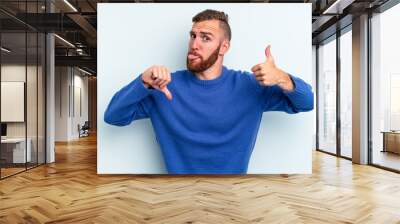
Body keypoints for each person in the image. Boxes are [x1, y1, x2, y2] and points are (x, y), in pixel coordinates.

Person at [104, 9, 314, 174]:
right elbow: (113, 117)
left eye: (205, 38)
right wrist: (142, 81)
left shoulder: (250, 86)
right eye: (193, 36)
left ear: (224, 47)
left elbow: (306, 102)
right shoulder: (163, 86)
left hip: (232, 196)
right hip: (176, 197)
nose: (194, 44)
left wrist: (281, 77)